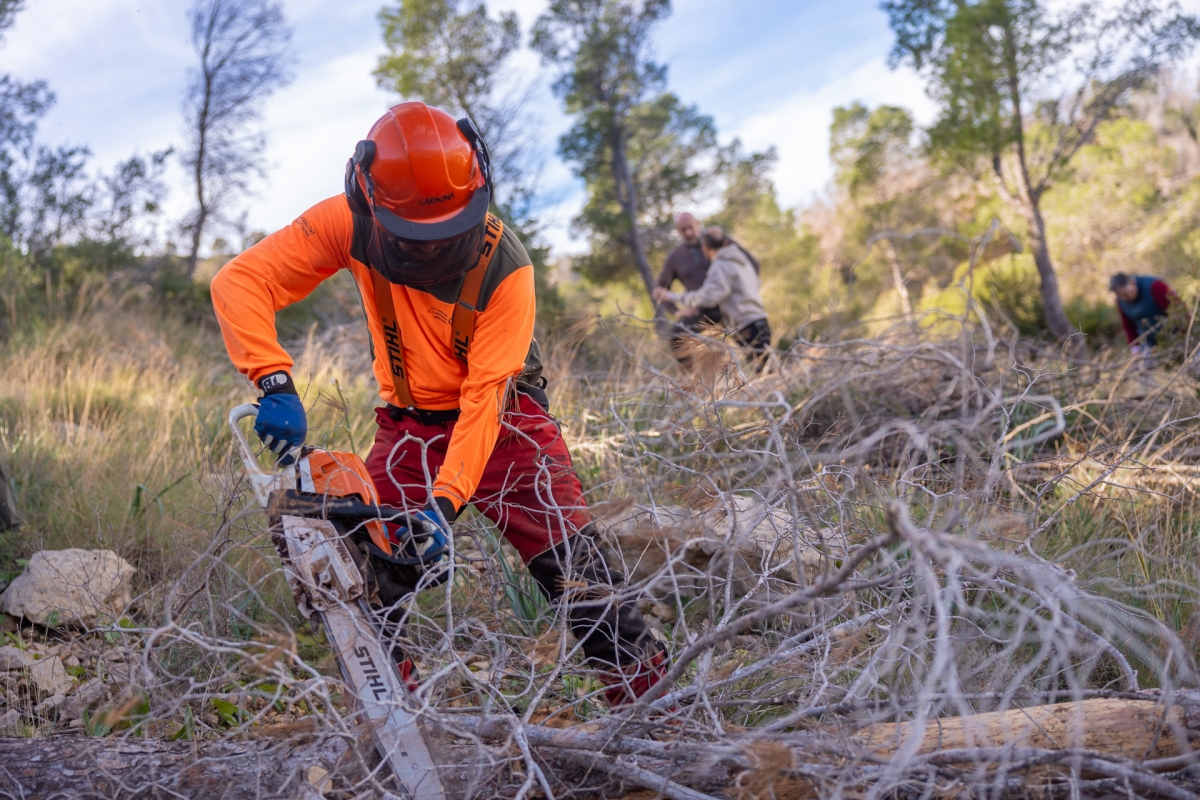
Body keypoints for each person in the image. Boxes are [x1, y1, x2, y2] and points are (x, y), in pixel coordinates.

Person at [210, 101, 666, 708]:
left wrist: (443, 504)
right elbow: (241, 281)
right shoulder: (347, 223)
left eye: (444, 235)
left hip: (507, 424)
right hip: (408, 426)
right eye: (413, 239)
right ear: (370, 201)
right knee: (361, 573)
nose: (428, 251)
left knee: (580, 573)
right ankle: (393, 714)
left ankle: (655, 715)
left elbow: (484, 399)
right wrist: (271, 379)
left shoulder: (509, 269)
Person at [652, 226, 771, 370]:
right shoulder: (742, 260)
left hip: (746, 325)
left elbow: (707, 298)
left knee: (762, 370)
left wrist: (672, 296)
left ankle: (691, 384)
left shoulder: (720, 266)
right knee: (763, 369)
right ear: (726, 242)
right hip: (759, 320)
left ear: (705, 248)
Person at [1110, 272, 1185, 353]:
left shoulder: (1156, 287)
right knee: (1144, 364)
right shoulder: (1121, 301)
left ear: (1132, 283)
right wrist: (1135, 349)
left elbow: (1179, 310)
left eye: (1126, 294)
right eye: (1120, 296)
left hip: (1178, 335)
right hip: (1152, 344)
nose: (1124, 299)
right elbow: (1129, 325)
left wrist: (1186, 334)